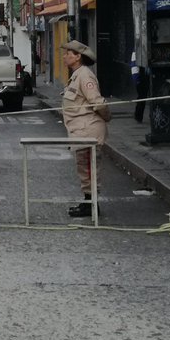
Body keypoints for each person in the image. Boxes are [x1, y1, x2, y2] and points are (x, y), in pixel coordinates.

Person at [61, 40, 109, 218]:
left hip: (88, 130)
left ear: (78, 56)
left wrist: (106, 117)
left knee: (89, 168)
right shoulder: (76, 75)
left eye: (68, 53)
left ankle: (92, 204)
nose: (65, 56)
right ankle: (88, 201)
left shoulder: (85, 76)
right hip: (80, 132)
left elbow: (97, 102)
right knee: (84, 168)